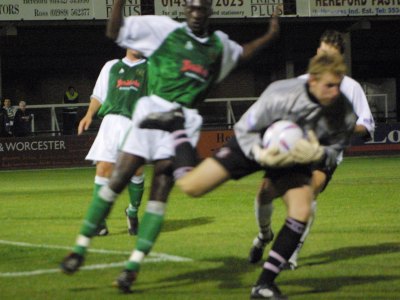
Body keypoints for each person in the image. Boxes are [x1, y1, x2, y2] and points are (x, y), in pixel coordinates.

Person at [60, 0, 280, 294]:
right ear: (185, 10)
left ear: (209, 12)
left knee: (160, 193)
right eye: (191, 8)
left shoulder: (218, 45)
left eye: (201, 8)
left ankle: (132, 268)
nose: (195, 13)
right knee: (118, 178)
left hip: (183, 121)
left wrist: (270, 35)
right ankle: (79, 248)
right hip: (153, 111)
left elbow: (244, 53)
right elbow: (115, 32)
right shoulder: (164, 30)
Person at [140, 52, 357, 299]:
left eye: (338, 85)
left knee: (302, 209)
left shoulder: (344, 111)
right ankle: (177, 126)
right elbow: (244, 127)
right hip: (252, 143)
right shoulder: (281, 93)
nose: (335, 92)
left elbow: (336, 151)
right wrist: (259, 153)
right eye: (330, 85)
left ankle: (264, 285)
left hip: (294, 157)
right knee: (191, 187)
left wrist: (319, 152)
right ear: (313, 81)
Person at [247, 29, 376, 270]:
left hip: (325, 154)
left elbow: (367, 125)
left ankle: (291, 254)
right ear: (317, 52)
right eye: (323, 53)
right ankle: (264, 236)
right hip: (295, 149)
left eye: (332, 55)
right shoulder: (299, 83)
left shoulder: (351, 87)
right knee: (265, 191)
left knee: (309, 191)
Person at [78, 49, 148, 236]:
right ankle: (100, 221)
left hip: (136, 123)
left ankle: (132, 212)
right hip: (111, 122)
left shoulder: (151, 69)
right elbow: (98, 96)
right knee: (103, 169)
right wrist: (88, 115)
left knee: (137, 170)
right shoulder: (111, 66)